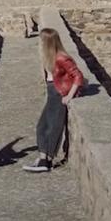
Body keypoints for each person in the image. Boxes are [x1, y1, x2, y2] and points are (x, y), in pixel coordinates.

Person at [23, 27, 84, 173]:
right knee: (41, 126)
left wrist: (69, 96)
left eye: (42, 40)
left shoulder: (61, 57)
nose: (40, 43)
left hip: (58, 93)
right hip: (52, 91)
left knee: (53, 127)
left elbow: (78, 76)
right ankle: (43, 158)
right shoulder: (49, 57)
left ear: (48, 42)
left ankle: (47, 161)